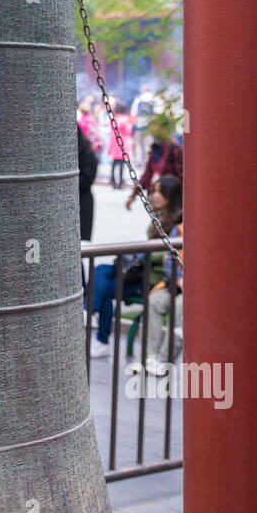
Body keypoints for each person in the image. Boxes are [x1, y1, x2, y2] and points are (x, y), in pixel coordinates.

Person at [88, 176, 182, 358]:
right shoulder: (159, 217)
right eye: (153, 191)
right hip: (140, 271)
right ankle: (91, 316)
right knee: (100, 272)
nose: (154, 196)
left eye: (159, 192)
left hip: (151, 278)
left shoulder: (178, 223)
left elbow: (167, 253)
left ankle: (95, 323)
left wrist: (139, 253)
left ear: (171, 196)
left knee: (103, 287)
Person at [145, 219, 183, 373]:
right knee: (154, 301)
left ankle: (165, 360)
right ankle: (150, 357)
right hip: (174, 284)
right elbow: (168, 259)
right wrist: (179, 280)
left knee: (181, 307)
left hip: (197, 291)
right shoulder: (179, 229)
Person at [126, 113, 182, 209]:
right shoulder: (155, 149)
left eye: (155, 124)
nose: (151, 128)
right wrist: (133, 195)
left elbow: (182, 178)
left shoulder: (175, 150)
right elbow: (147, 175)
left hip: (171, 204)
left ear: (165, 129)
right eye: (151, 124)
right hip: (157, 203)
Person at [107, 99, 134, 189]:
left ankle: (113, 180)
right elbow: (127, 131)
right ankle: (121, 181)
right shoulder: (125, 119)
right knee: (122, 163)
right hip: (123, 142)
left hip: (114, 142)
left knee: (114, 162)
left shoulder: (114, 118)